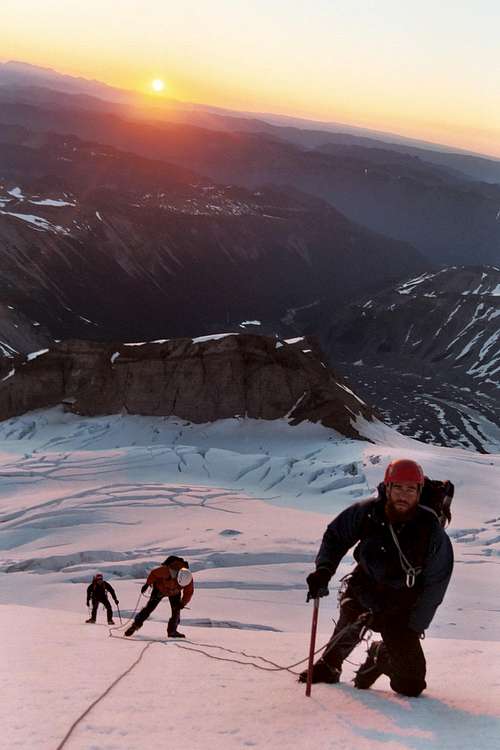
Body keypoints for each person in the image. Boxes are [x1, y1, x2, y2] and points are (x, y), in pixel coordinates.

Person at [299, 458, 453, 697]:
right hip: (364, 591)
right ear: (387, 488)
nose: (403, 495)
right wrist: (324, 570)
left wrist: (415, 627)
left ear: (419, 491)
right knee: (349, 623)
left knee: (410, 685)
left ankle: (380, 655)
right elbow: (336, 536)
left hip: (402, 608)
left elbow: (436, 584)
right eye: (398, 487)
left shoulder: (431, 531)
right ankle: (330, 665)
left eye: (410, 489)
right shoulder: (368, 513)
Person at [125, 555, 194, 638]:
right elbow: (154, 573)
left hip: (173, 592)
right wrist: (147, 584)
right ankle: (135, 625)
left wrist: (183, 603)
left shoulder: (188, 579)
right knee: (150, 607)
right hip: (160, 589)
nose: (180, 584)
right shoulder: (167, 571)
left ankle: (172, 631)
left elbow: (188, 592)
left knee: (175, 610)